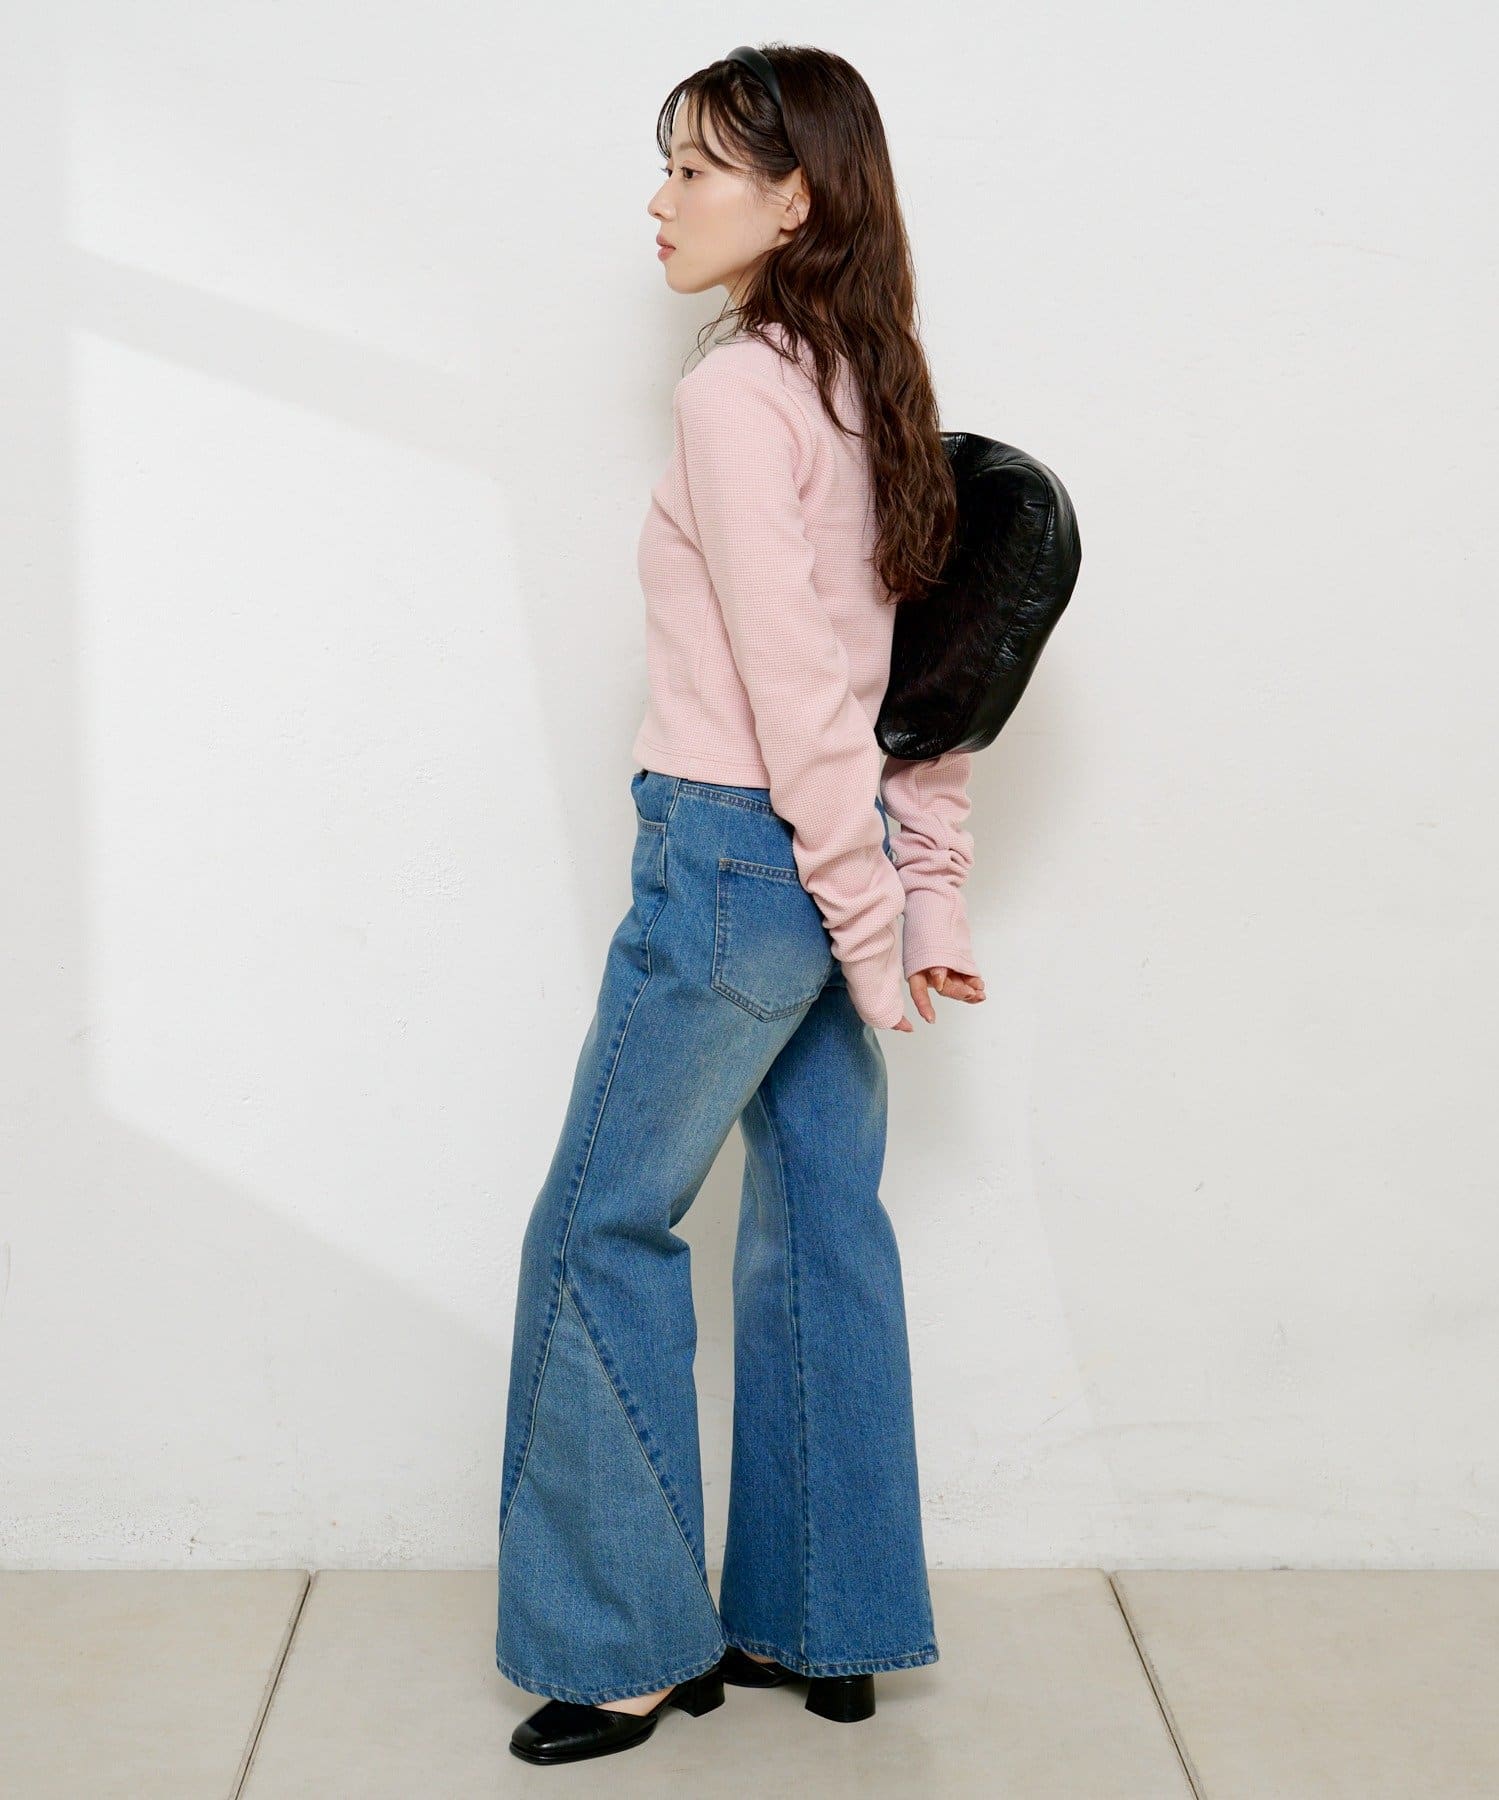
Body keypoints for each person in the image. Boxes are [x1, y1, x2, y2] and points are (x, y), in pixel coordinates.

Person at [497, 44, 986, 1767]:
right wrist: (913, 901)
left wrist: (869, 911)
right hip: (825, 866)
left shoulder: (737, 396)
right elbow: (926, 686)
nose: (661, 199)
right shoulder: (872, 386)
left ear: (794, 199)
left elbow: (800, 691)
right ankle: (824, 1624)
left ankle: (627, 1647)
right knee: (822, 1217)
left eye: (696, 169)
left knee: (599, 1227)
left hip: (735, 857)